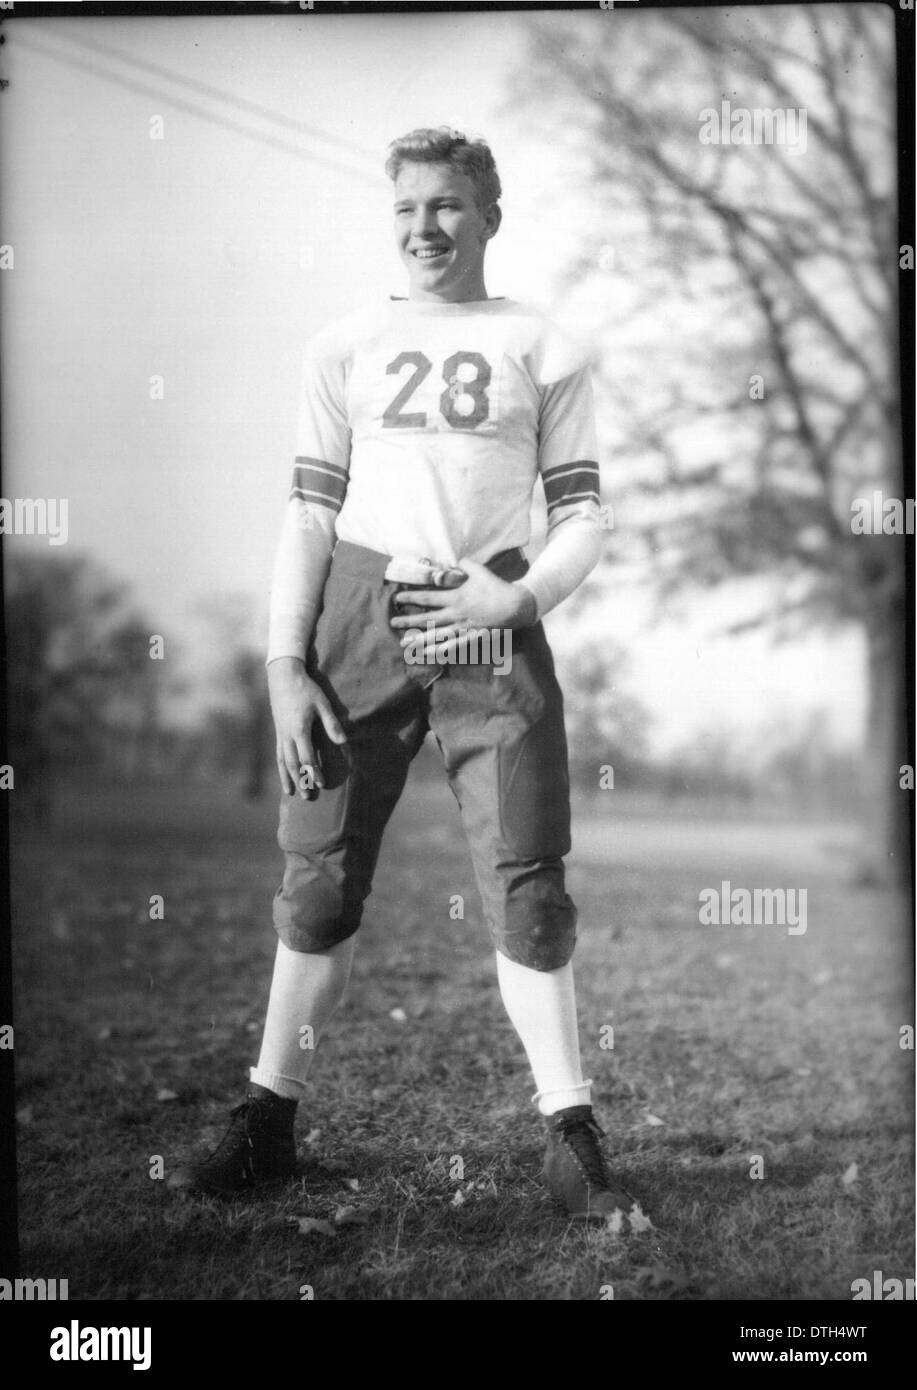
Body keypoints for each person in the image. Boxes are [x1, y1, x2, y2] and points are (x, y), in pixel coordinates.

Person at [170, 127, 647, 1228]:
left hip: (487, 611)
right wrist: (284, 661)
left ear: (489, 212)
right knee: (320, 874)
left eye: (446, 205)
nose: (424, 227)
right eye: (404, 210)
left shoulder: (546, 343)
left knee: (527, 872)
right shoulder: (342, 344)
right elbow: (306, 512)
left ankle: (570, 1133)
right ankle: (268, 1120)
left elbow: (580, 515)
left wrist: (512, 599)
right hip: (360, 614)